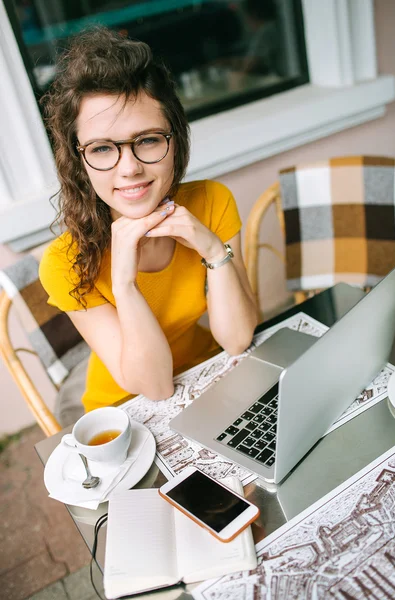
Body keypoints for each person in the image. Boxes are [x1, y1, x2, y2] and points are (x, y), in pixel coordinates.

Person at [39, 27, 258, 414]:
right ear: (79, 161)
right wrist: (124, 283)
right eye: (103, 148)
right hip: (128, 405)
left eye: (148, 140)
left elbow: (238, 339)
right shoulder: (63, 263)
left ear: (175, 141)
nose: (130, 168)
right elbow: (155, 387)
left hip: (209, 373)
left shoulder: (211, 202)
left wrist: (211, 249)